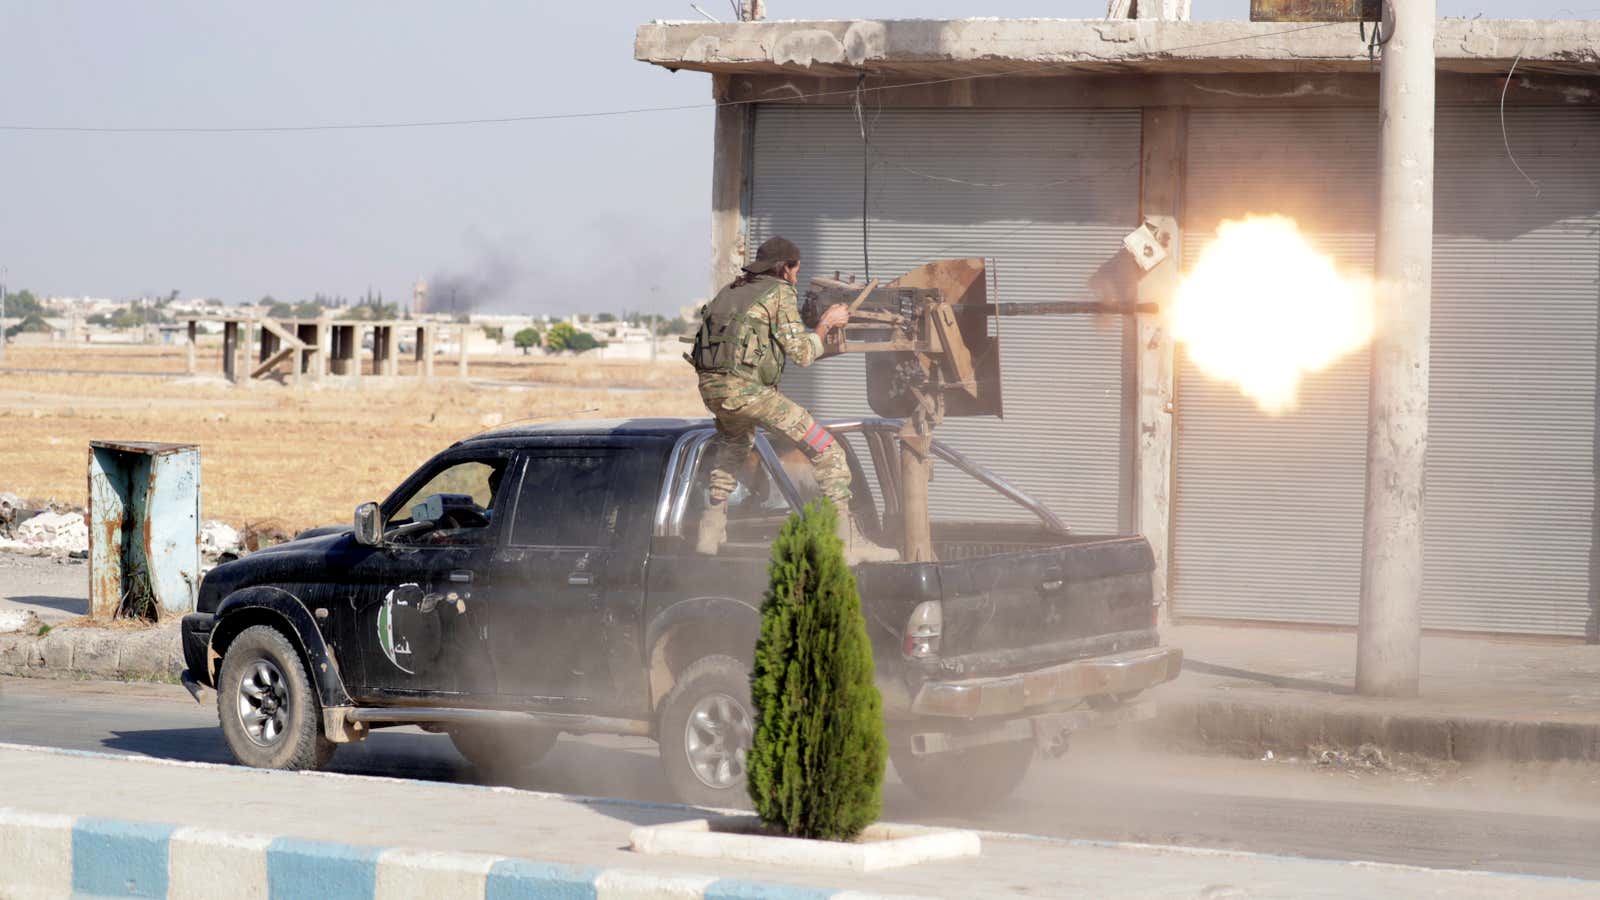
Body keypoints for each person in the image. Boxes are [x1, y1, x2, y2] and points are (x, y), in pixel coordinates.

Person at [686, 236, 897, 563]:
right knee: (827, 449)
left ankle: (710, 530)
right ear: (785, 268)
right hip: (751, 393)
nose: (798, 276)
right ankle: (848, 543)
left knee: (733, 449)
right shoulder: (780, 291)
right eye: (796, 269)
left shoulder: (731, 293)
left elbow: (748, 341)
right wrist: (828, 324)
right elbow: (802, 353)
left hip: (715, 391)